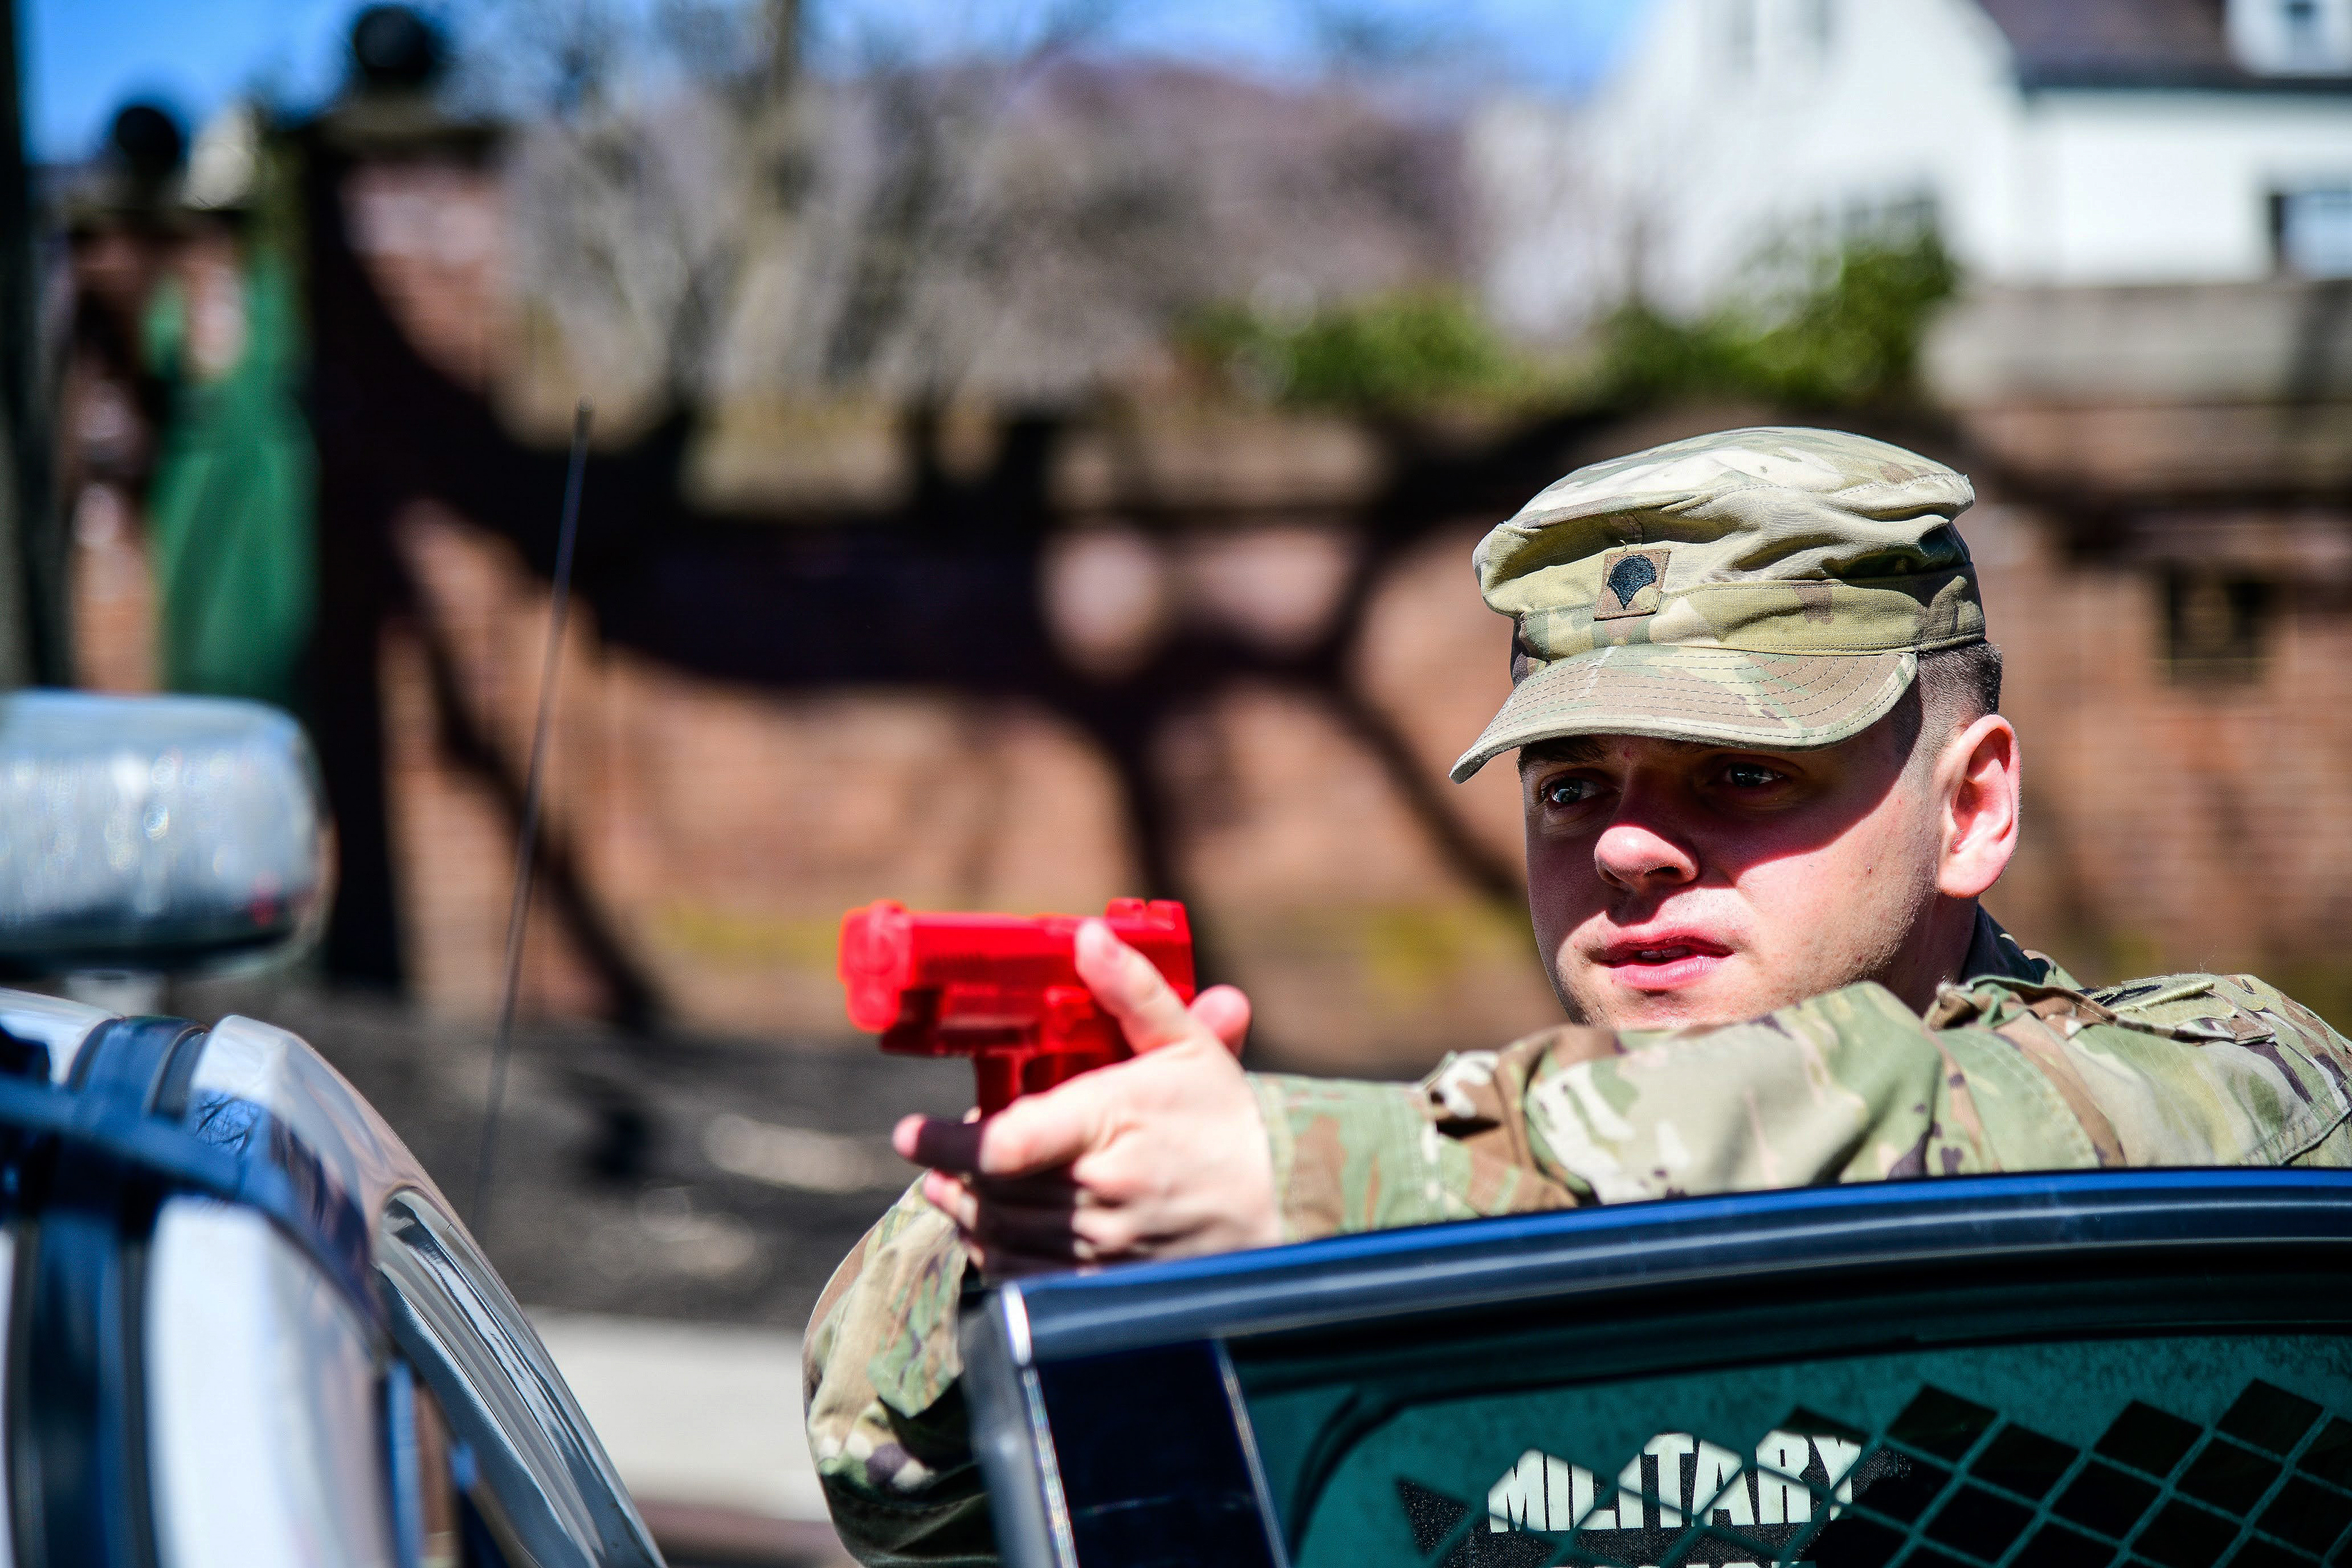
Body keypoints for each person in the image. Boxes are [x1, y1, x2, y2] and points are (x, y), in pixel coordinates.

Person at [803, 427, 2352, 1563]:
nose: (1622, 843)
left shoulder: (2238, 1081)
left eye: (1744, 773)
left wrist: (1298, 1179)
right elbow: (889, 1481)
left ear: (1973, 806)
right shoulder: (1480, 1169)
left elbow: (1861, 1126)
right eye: (1571, 784)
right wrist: (1036, 1217)